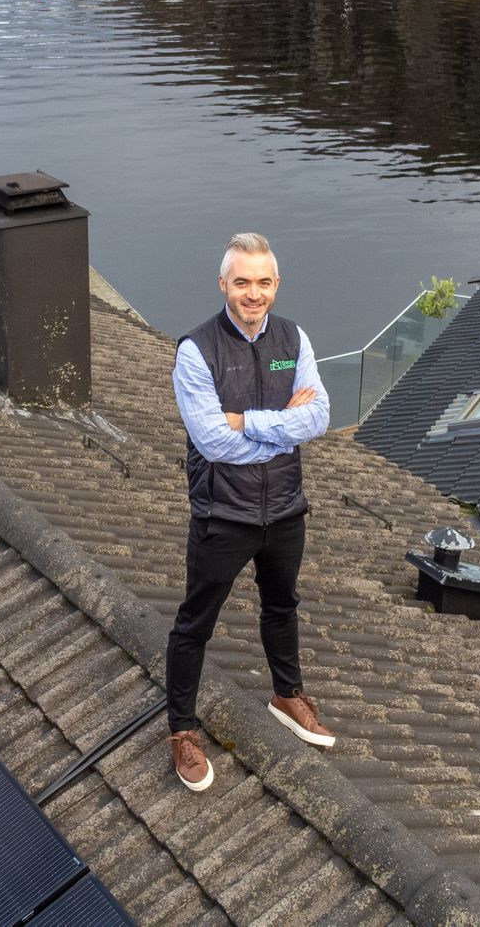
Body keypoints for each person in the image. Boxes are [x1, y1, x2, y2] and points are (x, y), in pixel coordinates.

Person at [166, 232, 333, 792]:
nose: (253, 294)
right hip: (224, 515)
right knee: (196, 624)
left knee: (282, 605)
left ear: (276, 284)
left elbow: (320, 417)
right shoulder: (196, 351)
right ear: (223, 285)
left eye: (263, 282)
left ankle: (287, 694)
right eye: (242, 282)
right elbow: (214, 443)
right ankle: (182, 730)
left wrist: (248, 421)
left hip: (285, 507)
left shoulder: (293, 337)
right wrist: (281, 427)